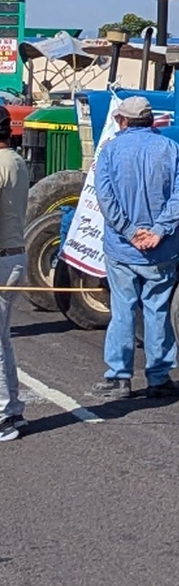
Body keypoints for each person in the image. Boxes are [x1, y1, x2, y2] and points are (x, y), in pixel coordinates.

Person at [91, 96, 179, 400]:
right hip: (161, 250)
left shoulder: (110, 151)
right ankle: (158, 378)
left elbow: (105, 199)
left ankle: (119, 377)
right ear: (150, 120)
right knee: (157, 310)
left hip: (122, 247)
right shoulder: (171, 149)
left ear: (123, 120)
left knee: (122, 310)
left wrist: (130, 232)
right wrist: (157, 232)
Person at [0, 106, 30, 441]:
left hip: (3, 257)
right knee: (3, 339)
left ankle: (4, 417)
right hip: (14, 255)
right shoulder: (16, 160)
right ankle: (13, 409)